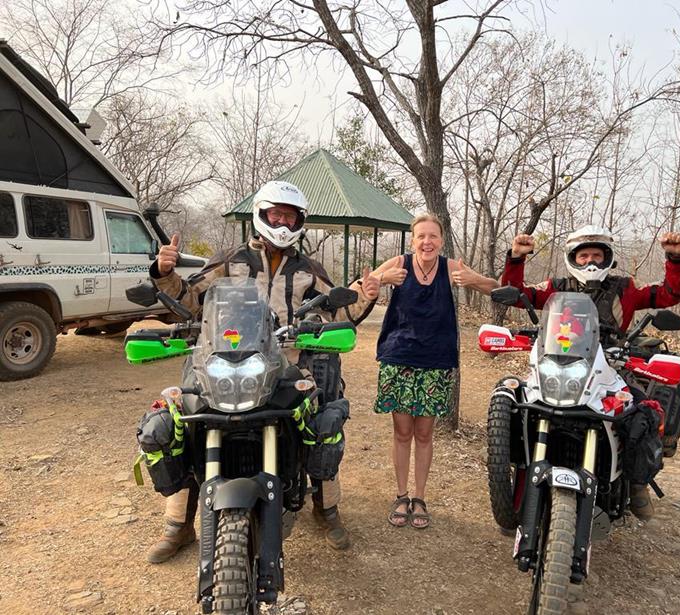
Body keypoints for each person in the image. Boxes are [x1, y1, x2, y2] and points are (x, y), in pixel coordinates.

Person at [144, 180, 381, 563]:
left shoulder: (309, 269)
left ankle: (325, 508)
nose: (283, 222)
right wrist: (164, 272)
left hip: (287, 361)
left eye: (290, 216)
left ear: (300, 220)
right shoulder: (230, 259)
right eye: (277, 214)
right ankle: (178, 524)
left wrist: (364, 297)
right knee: (187, 423)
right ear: (262, 214)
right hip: (225, 357)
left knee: (319, 422)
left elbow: (338, 314)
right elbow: (187, 300)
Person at [502, 225, 680, 520]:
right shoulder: (557, 287)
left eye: (597, 255)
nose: (590, 261)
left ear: (608, 259)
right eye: (583, 256)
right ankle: (516, 479)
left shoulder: (625, 288)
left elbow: (669, 294)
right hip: (559, 366)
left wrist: (676, 259)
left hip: (613, 367)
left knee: (644, 413)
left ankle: (637, 483)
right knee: (520, 405)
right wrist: (515, 259)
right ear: (572, 259)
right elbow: (519, 295)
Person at [366, 213, 499, 529]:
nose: (427, 242)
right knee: (401, 432)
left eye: (433, 236)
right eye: (421, 236)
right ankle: (401, 495)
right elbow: (364, 286)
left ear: (441, 240)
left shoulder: (452, 268)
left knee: (424, 434)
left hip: (436, 361)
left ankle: (420, 498)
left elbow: (494, 288)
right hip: (398, 357)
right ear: (413, 241)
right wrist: (381, 281)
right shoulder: (399, 263)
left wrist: (472, 281)